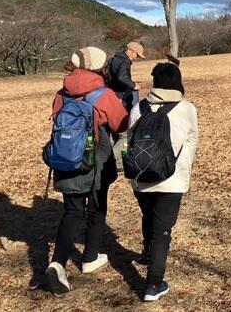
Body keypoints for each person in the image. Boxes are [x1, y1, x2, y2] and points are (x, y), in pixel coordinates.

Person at [46, 47, 128, 295]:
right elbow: (121, 123)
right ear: (100, 67)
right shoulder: (104, 94)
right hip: (95, 162)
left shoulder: (62, 93)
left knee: (72, 212)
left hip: (66, 159)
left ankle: (57, 262)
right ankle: (90, 257)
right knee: (96, 208)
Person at [128, 62, 199, 302]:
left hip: (140, 177)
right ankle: (153, 285)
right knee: (162, 230)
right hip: (172, 180)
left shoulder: (138, 108)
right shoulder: (187, 109)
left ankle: (148, 254)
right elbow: (192, 142)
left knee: (148, 217)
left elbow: (130, 140)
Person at [108, 41, 145, 169]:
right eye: (138, 55)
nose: (137, 58)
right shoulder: (124, 62)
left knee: (113, 132)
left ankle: (114, 163)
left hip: (111, 97)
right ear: (131, 51)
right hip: (120, 99)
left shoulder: (115, 59)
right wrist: (134, 85)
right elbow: (122, 77)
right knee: (124, 134)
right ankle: (110, 159)